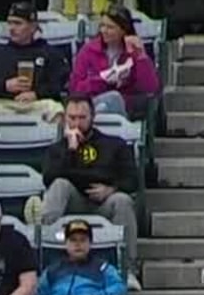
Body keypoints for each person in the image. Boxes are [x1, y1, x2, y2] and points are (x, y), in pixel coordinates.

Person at [33, 95, 142, 266]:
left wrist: (111, 189)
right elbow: (49, 179)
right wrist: (71, 150)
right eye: (72, 118)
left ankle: (127, 268)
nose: (76, 123)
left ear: (93, 117)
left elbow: (132, 181)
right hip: (73, 202)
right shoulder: (57, 149)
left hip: (105, 204)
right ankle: (47, 259)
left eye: (82, 118)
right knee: (59, 185)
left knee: (123, 200)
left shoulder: (115, 145)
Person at [0, 3, 69, 123]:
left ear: (33, 27)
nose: (12, 28)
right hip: (4, 104)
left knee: (57, 111)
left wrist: (37, 93)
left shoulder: (49, 52)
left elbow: (59, 85)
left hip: (38, 103)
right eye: (10, 23)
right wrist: (4, 86)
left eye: (18, 23)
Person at [68, 5, 161, 118]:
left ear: (123, 30)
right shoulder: (88, 50)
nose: (104, 31)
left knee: (116, 98)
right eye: (102, 26)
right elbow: (75, 90)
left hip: (128, 106)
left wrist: (141, 56)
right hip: (93, 102)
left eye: (110, 27)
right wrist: (103, 79)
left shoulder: (133, 51)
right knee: (110, 99)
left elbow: (150, 88)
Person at [34, 218, 127, 295]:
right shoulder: (53, 269)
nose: (78, 244)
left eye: (83, 240)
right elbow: (40, 292)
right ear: (66, 244)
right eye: (73, 240)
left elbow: (119, 287)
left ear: (90, 243)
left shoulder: (102, 267)